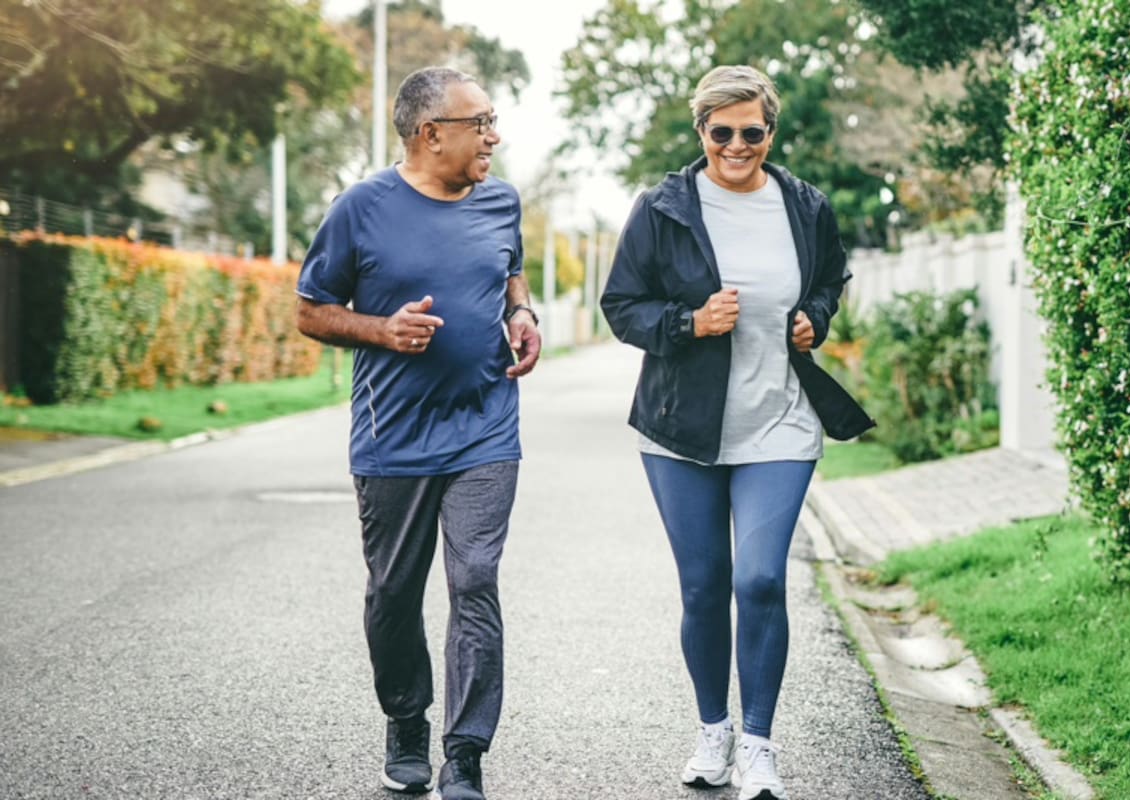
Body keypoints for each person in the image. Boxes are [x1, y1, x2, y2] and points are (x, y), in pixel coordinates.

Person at [600, 65, 874, 800]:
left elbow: (830, 278)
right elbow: (621, 305)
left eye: (751, 132)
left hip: (780, 419)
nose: (736, 146)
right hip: (680, 429)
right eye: (720, 131)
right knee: (703, 587)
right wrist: (689, 322)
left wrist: (816, 317)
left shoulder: (805, 205)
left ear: (770, 132)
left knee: (759, 579)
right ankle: (713, 731)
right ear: (701, 130)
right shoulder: (662, 208)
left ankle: (758, 745)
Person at [295, 66, 540, 800]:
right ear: (431, 134)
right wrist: (381, 330)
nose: (494, 136)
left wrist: (522, 313)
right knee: (394, 593)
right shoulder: (361, 209)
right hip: (393, 436)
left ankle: (465, 754)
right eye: (481, 123)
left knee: (475, 579)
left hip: (485, 425)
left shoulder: (501, 199)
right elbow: (310, 309)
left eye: (493, 121)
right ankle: (406, 719)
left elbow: (511, 269)